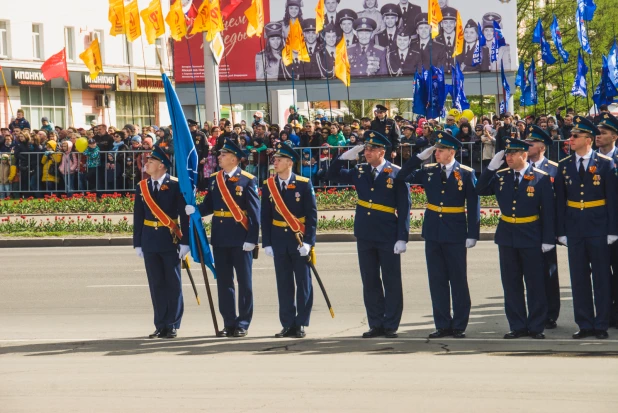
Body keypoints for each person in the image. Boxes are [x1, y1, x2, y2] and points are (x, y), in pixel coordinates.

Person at [328, 131, 411, 338]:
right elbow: (330, 175)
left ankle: (391, 324)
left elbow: (404, 206)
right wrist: (343, 158)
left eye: (372, 149)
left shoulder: (396, 173)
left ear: (382, 151)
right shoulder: (360, 171)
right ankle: (376, 323)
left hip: (387, 233)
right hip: (365, 233)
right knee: (370, 280)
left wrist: (403, 237)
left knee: (391, 281)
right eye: (366, 149)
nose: (367, 152)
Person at [398, 132, 479, 338]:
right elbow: (402, 176)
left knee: (458, 280)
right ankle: (442, 324)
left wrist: (473, 233)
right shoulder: (428, 170)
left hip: (456, 232)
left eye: (440, 150)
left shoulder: (466, 173)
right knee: (437, 280)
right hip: (433, 231)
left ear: (452, 152)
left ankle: (459, 325)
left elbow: (473, 204)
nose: (436, 153)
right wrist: (418, 158)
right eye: (436, 149)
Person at [476, 139, 555, 339]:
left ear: (524, 155)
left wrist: (548, 239)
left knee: (535, 284)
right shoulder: (501, 176)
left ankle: (536, 326)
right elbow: (480, 189)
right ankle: (517, 326)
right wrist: (491, 167)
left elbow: (548, 211)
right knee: (511, 284)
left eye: (513, 154)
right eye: (506, 155)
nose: (508, 158)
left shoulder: (540, 178)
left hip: (531, 235)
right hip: (507, 236)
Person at [186, 139, 260, 338]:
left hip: (241, 238)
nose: (219, 157)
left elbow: (254, 213)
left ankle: (243, 323)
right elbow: (210, 206)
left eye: (223, 155)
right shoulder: (214, 179)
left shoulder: (247, 180)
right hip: (220, 238)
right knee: (224, 282)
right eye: (219, 154)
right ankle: (229, 322)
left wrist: (252, 239)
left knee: (244, 283)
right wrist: (196, 210)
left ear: (234, 159)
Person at [555, 117, 617, 339]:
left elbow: (612, 199)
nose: (570, 139)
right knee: (579, 278)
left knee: (601, 278)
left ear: (588, 140)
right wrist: (561, 231)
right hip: (575, 228)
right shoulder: (564, 165)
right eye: (571, 135)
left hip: (598, 227)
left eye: (575, 136)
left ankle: (601, 324)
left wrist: (612, 230)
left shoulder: (605, 164)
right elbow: (560, 202)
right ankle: (584, 323)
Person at [261, 143, 318, 339]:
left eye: (278, 159)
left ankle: (301, 323)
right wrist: (267, 242)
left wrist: (309, 242)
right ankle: (287, 323)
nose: (274, 162)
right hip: (279, 240)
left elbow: (312, 216)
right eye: (274, 159)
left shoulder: (303, 183)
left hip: (299, 240)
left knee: (303, 283)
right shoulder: (269, 185)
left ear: (289, 162)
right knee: (284, 284)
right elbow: (265, 215)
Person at [133, 145, 190, 339]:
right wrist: (138, 243)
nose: (147, 164)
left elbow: (184, 215)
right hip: (149, 239)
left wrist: (186, 242)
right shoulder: (142, 187)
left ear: (162, 166)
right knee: (156, 284)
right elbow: (138, 216)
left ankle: (172, 324)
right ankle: (160, 324)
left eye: (151, 162)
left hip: (170, 239)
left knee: (172, 283)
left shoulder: (175, 185)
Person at [524, 126, 561, 329]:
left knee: (549, 272)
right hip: (528, 227)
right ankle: (535, 311)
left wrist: (558, 231)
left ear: (542, 147)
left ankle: (550, 313)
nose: (527, 146)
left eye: (531, 143)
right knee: (531, 274)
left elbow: (560, 201)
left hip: (547, 227)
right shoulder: (522, 167)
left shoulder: (554, 169)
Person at [595, 113, 618, 328]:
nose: (598, 137)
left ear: (614, 137)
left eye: (603, 133)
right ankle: (605, 313)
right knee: (601, 273)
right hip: (598, 225)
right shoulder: (591, 159)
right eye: (597, 133)